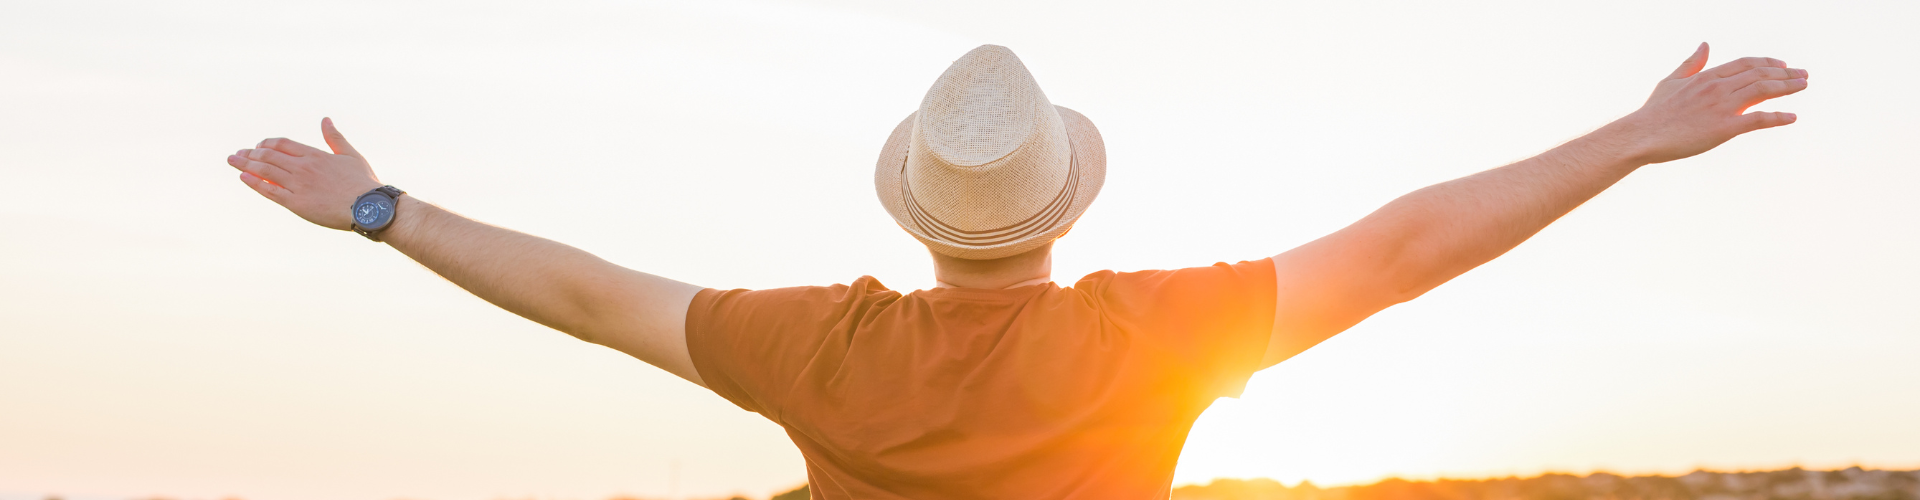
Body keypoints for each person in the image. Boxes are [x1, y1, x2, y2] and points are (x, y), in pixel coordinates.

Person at [224, 44, 1807, 499]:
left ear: (919, 211)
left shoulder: (815, 347)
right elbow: (1403, 250)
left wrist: (380, 210)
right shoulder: (1155, 336)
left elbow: (581, 295)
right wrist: (1630, 138)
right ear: (1062, 205)